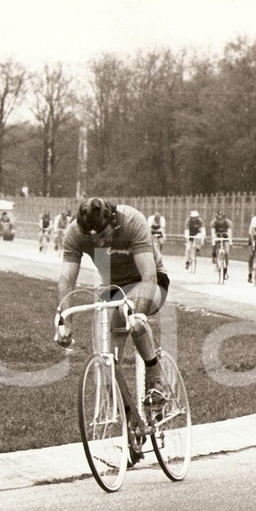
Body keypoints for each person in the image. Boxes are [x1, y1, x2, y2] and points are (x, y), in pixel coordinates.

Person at [54, 198, 171, 467]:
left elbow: (149, 277)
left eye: (104, 236)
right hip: (112, 286)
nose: (99, 245)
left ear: (112, 221)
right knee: (106, 355)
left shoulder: (132, 221)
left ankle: (155, 379)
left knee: (131, 317)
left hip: (147, 281)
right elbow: (66, 280)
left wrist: (139, 313)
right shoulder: (74, 233)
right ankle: (131, 418)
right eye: (91, 240)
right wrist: (64, 319)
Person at [210, 209, 233, 279]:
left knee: (226, 252)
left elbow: (229, 233)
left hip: (225, 235)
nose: (220, 220)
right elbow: (212, 233)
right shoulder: (213, 222)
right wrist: (213, 240)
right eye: (218, 219)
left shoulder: (228, 222)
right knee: (214, 244)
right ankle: (214, 255)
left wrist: (230, 240)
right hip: (217, 235)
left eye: (222, 219)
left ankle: (225, 272)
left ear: (224, 218)